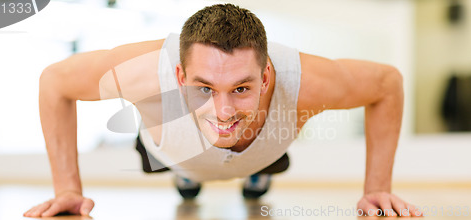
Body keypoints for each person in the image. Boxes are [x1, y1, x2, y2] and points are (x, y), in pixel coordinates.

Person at [24, 3, 422, 218]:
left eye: (242, 88)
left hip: (264, 149)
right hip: (169, 152)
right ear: (179, 74)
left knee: (259, 156)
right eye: (204, 88)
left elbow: (387, 84)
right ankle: (186, 179)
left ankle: (257, 175)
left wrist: (376, 190)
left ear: (267, 76)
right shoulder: (145, 72)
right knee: (186, 170)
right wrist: (68, 191)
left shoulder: (304, 80)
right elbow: (54, 82)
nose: (224, 108)